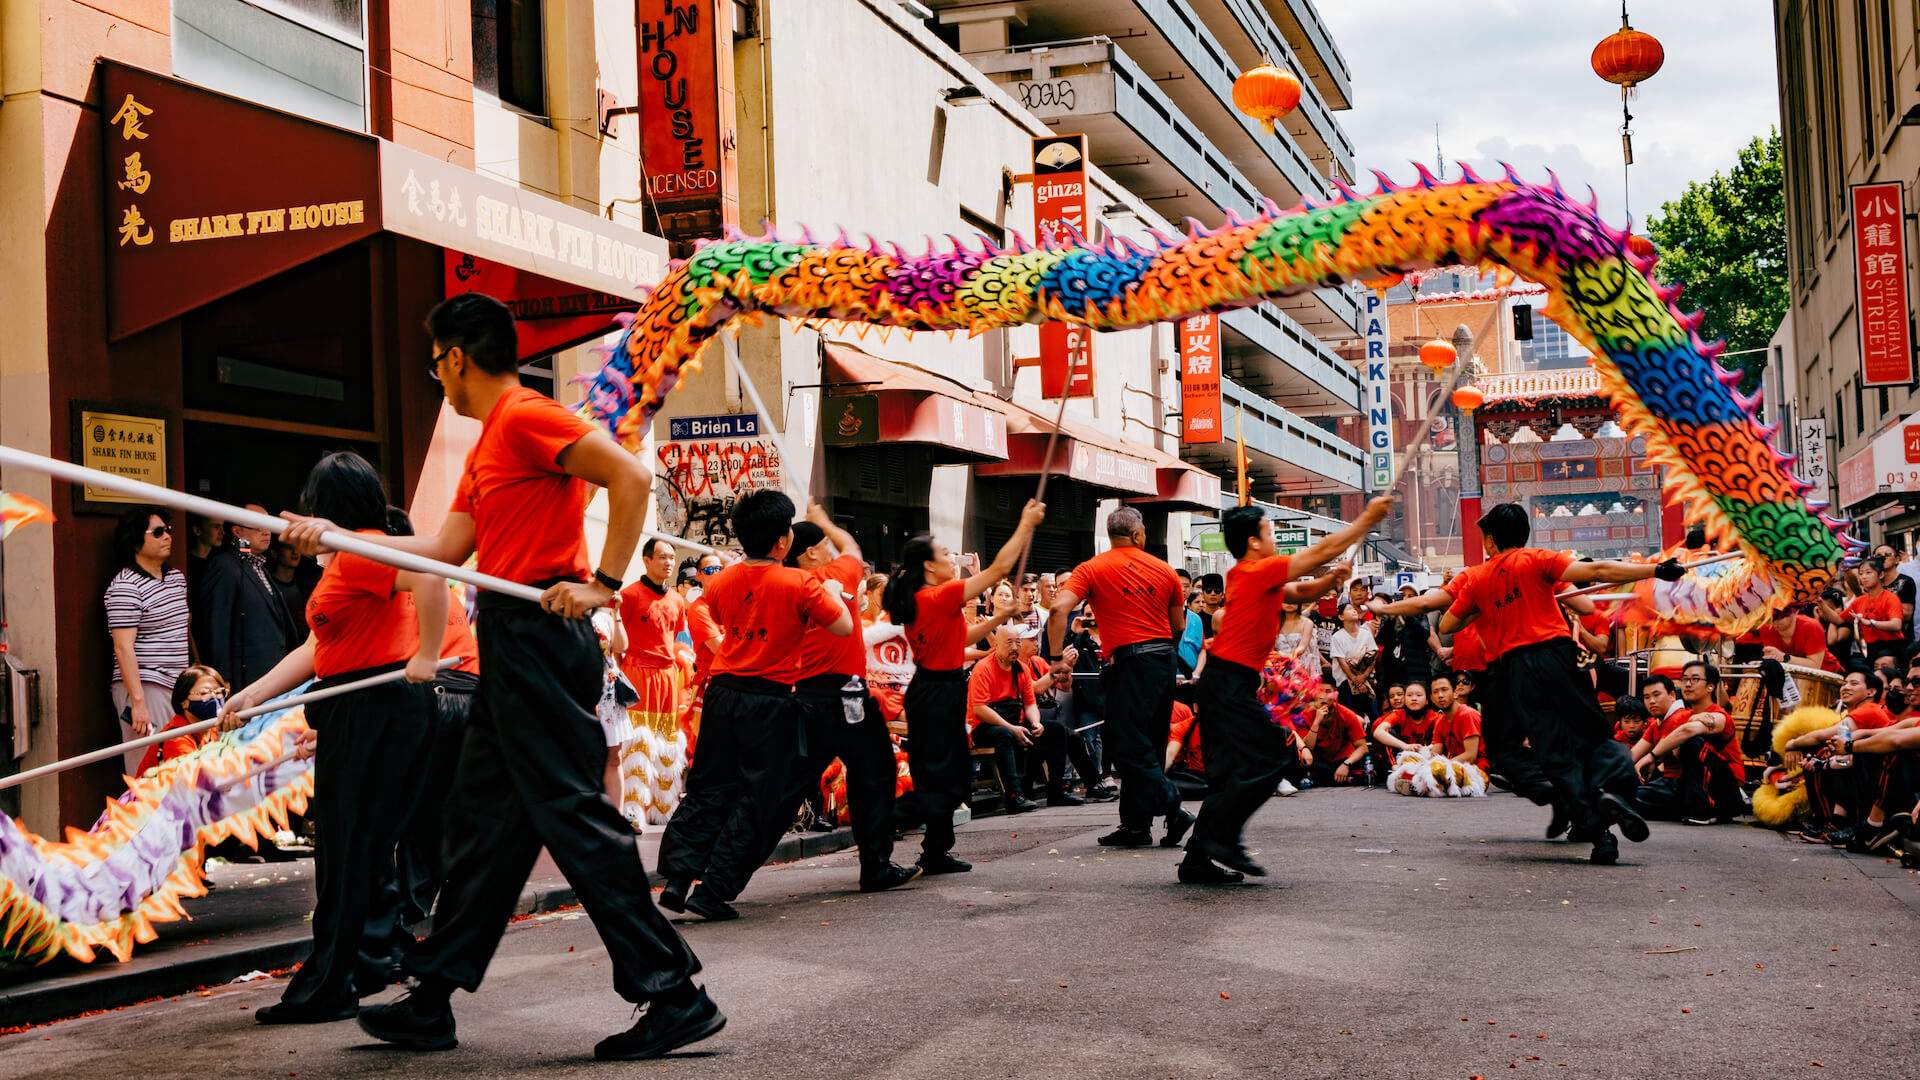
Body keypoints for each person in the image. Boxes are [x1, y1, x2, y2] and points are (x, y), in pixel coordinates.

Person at [282, 293, 716, 1060]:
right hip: (512, 642)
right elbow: (436, 554)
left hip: (542, 635)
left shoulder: (522, 416)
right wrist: (338, 537)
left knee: (574, 818)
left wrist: (606, 582)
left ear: (454, 356)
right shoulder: (487, 445)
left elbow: (629, 478)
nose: (435, 376)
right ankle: (433, 995)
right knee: (481, 828)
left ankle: (673, 991)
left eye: (435, 362)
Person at [232, 451, 444, 1025]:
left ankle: (335, 981)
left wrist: (427, 654)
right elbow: (315, 649)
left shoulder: (359, 554)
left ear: (326, 508)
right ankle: (363, 963)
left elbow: (430, 575)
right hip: (359, 704)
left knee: (349, 850)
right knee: (355, 850)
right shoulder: (350, 558)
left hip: (376, 705)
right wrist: (252, 695)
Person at [1437, 502, 1684, 864]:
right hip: (1562, 658)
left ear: (1489, 541)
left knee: (1551, 754)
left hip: (1519, 667)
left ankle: (1595, 816)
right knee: (1590, 736)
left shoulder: (1478, 577)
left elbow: (1445, 625)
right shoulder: (1539, 559)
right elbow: (1597, 570)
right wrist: (1657, 569)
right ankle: (1613, 797)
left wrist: (1479, 607)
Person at [655, 492, 853, 921]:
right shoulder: (801, 583)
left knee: (710, 786)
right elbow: (843, 625)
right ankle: (715, 890)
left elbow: (719, 616)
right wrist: (831, 591)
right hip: (770, 697)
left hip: (724, 691)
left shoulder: (721, 581)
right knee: (756, 797)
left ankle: (677, 876)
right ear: (784, 541)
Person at [1179, 497, 1390, 884]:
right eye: (1269, 531)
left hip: (1229, 683)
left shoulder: (1252, 574)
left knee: (1230, 774)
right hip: (1228, 683)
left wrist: (1330, 581)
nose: (1273, 537)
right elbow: (1320, 552)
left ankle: (1198, 859)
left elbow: (1298, 591)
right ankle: (1223, 838)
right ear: (1254, 541)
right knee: (1272, 756)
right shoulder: (1258, 569)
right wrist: (1366, 520)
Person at [762, 508, 920, 895]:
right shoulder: (834, 575)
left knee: (783, 790)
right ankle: (876, 866)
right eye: (825, 545)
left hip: (805, 696)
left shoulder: (785, 584)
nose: (832, 550)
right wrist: (825, 518)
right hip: (844, 695)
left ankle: (716, 881)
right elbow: (852, 546)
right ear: (812, 551)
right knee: (876, 774)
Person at [884, 500, 1045, 875]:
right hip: (937, 692)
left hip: (938, 688)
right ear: (928, 564)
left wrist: (997, 620)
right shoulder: (938, 595)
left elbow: (959, 640)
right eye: (943, 553)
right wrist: (1025, 522)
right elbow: (1001, 568)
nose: (951, 558)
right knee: (946, 780)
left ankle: (936, 852)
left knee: (946, 775)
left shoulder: (929, 600)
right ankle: (882, 818)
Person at [1046, 508, 1192, 850]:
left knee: (1129, 746)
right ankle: (1136, 826)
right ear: (1138, 535)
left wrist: (1055, 659)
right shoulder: (1165, 569)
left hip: (1129, 663)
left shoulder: (1092, 568)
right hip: (1162, 661)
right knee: (1149, 745)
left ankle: (1172, 807)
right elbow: (1179, 627)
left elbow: (1057, 610)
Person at [105, 507, 192, 775]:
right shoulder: (125, 586)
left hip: (179, 685)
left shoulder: (177, 578)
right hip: (147, 685)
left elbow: (184, 630)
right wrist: (138, 702)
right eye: (157, 532)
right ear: (135, 541)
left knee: (180, 764)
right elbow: (122, 647)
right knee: (148, 768)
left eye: (168, 529)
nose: (166, 536)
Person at [1784, 669, 1902, 848]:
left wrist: (1792, 743)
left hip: (1873, 776)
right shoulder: (1857, 712)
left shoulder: (1869, 710)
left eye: (1854, 684)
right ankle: (1827, 821)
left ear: (1871, 692)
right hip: (1864, 771)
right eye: (1845, 683)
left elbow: (1821, 735)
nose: (1845, 687)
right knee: (1822, 753)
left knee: (1823, 755)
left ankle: (1832, 822)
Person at [617, 538, 689, 826]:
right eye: (662, 557)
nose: (668, 562)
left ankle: (664, 807)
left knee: (667, 743)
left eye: (671, 557)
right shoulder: (629, 595)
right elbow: (616, 641)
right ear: (646, 560)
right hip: (638, 674)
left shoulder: (677, 600)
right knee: (638, 742)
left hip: (668, 677)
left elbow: (678, 639)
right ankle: (633, 809)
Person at [199, 503, 303, 692]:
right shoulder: (225, 566)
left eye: (268, 525)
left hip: (273, 674)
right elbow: (217, 625)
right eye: (258, 526)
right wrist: (223, 678)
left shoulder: (257, 565)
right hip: (246, 679)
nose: (266, 532)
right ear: (238, 532)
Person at [969, 623, 1073, 811]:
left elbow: (1030, 702)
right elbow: (980, 708)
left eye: (1017, 643)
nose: (1015, 648)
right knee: (1004, 735)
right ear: (997, 644)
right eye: (1009, 643)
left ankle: (1057, 791)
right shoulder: (983, 668)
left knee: (1055, 730)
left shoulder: (1021, 668)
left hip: (1015, 720)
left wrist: (1035, 722)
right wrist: (1011, 728)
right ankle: (1014, 795)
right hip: (984, 725)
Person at [1631, 661, 1743, 825]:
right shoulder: (1680, 717)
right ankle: (1684, 808)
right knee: (1628, 799)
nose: (1688, 684)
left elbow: (1687, 732)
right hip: (1683, 786)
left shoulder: (1720, 716)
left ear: (1710, 687)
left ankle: (1705, 809)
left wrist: (1652, 757)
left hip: (1724, 791)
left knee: (1692, 742)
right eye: (1684, 679)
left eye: (1695, 679)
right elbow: (1635, 754)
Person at [135, 664, 228, 777]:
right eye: (204, 693)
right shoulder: (176, 738)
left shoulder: (212, 728)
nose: (214, 698)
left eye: (219, 692)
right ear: (184, 702)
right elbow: (199, 779)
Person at [1821, 559, 1907, 670]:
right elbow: (1838, 620)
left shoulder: (1891, 598)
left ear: (1880, 575)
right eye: (1861, 574)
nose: (1864, 577)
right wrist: (1820, 603)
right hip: (1870, 648)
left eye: (1868, 572)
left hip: (1891, 648)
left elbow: (1896, 625)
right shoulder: (1859, 601)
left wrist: (1871, 623)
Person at [1302, 682, 1369, 787]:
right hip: (1319, 761)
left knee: (1371, 761)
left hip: (1342, 759)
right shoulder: (1306, 714)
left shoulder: (1346, 714)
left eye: (1328, 692)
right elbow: (1307, 747)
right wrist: (1316, 723)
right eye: (1320, 691)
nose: (1323, 696)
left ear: (1335, 695)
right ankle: (1344, 780)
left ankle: (1335, 779)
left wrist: (1346, 764)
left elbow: (1363, 747)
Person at [1328, 605, 1377, 716]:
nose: (1354, 611)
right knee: (1351, 715)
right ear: (1341, 616)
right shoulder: (1337, 637)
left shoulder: (1366, 634)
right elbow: (1342, 662)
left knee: (1374, 713)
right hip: (1345, 681)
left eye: (1354, 609)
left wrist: (1363, 677)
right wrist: (1355, 680)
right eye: (1349, 609)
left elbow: (1373, 657)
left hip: (1366, 679)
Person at [1428, 673, 1484, 769]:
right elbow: (1435, 754)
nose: (1440, 695)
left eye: (1444, 690)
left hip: (1477, 770)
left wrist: (1442, 767)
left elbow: (1471, 756)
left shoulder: (1468, 714)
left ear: (1455, 693)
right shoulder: (1440, 722)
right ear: (1432, 698)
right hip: (1454, 767)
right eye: (1435, 692)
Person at [1371, 680, 1438, 759]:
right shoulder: (1399, 714)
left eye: (1419, 695)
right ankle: (1394, 767)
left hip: (1428, 757)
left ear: (1427, 700)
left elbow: (1442, 738)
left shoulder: (1434, 716)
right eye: (1409, 695)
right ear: (1405, 700)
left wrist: (1427, 748)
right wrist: (1405, 746)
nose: (1414, 698)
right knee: (1387, 730)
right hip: (1401, 757)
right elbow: (1378, 732)